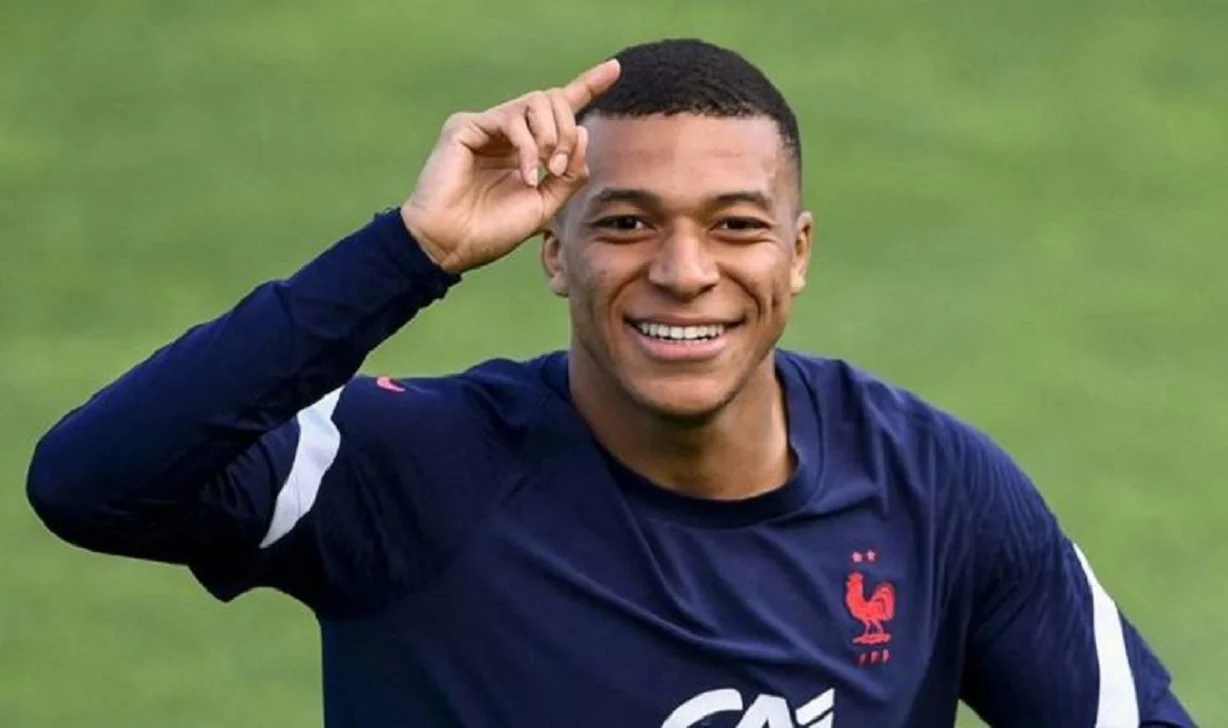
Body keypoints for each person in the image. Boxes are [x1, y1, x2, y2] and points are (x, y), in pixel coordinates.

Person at [26, 38, 1193, 728]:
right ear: (553, 250)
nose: (684, 271)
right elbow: (92, 481)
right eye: (627, 222)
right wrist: (412, 250)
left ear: (795, 253)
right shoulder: (411, 467)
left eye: (736, 225)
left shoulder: (932, 488)